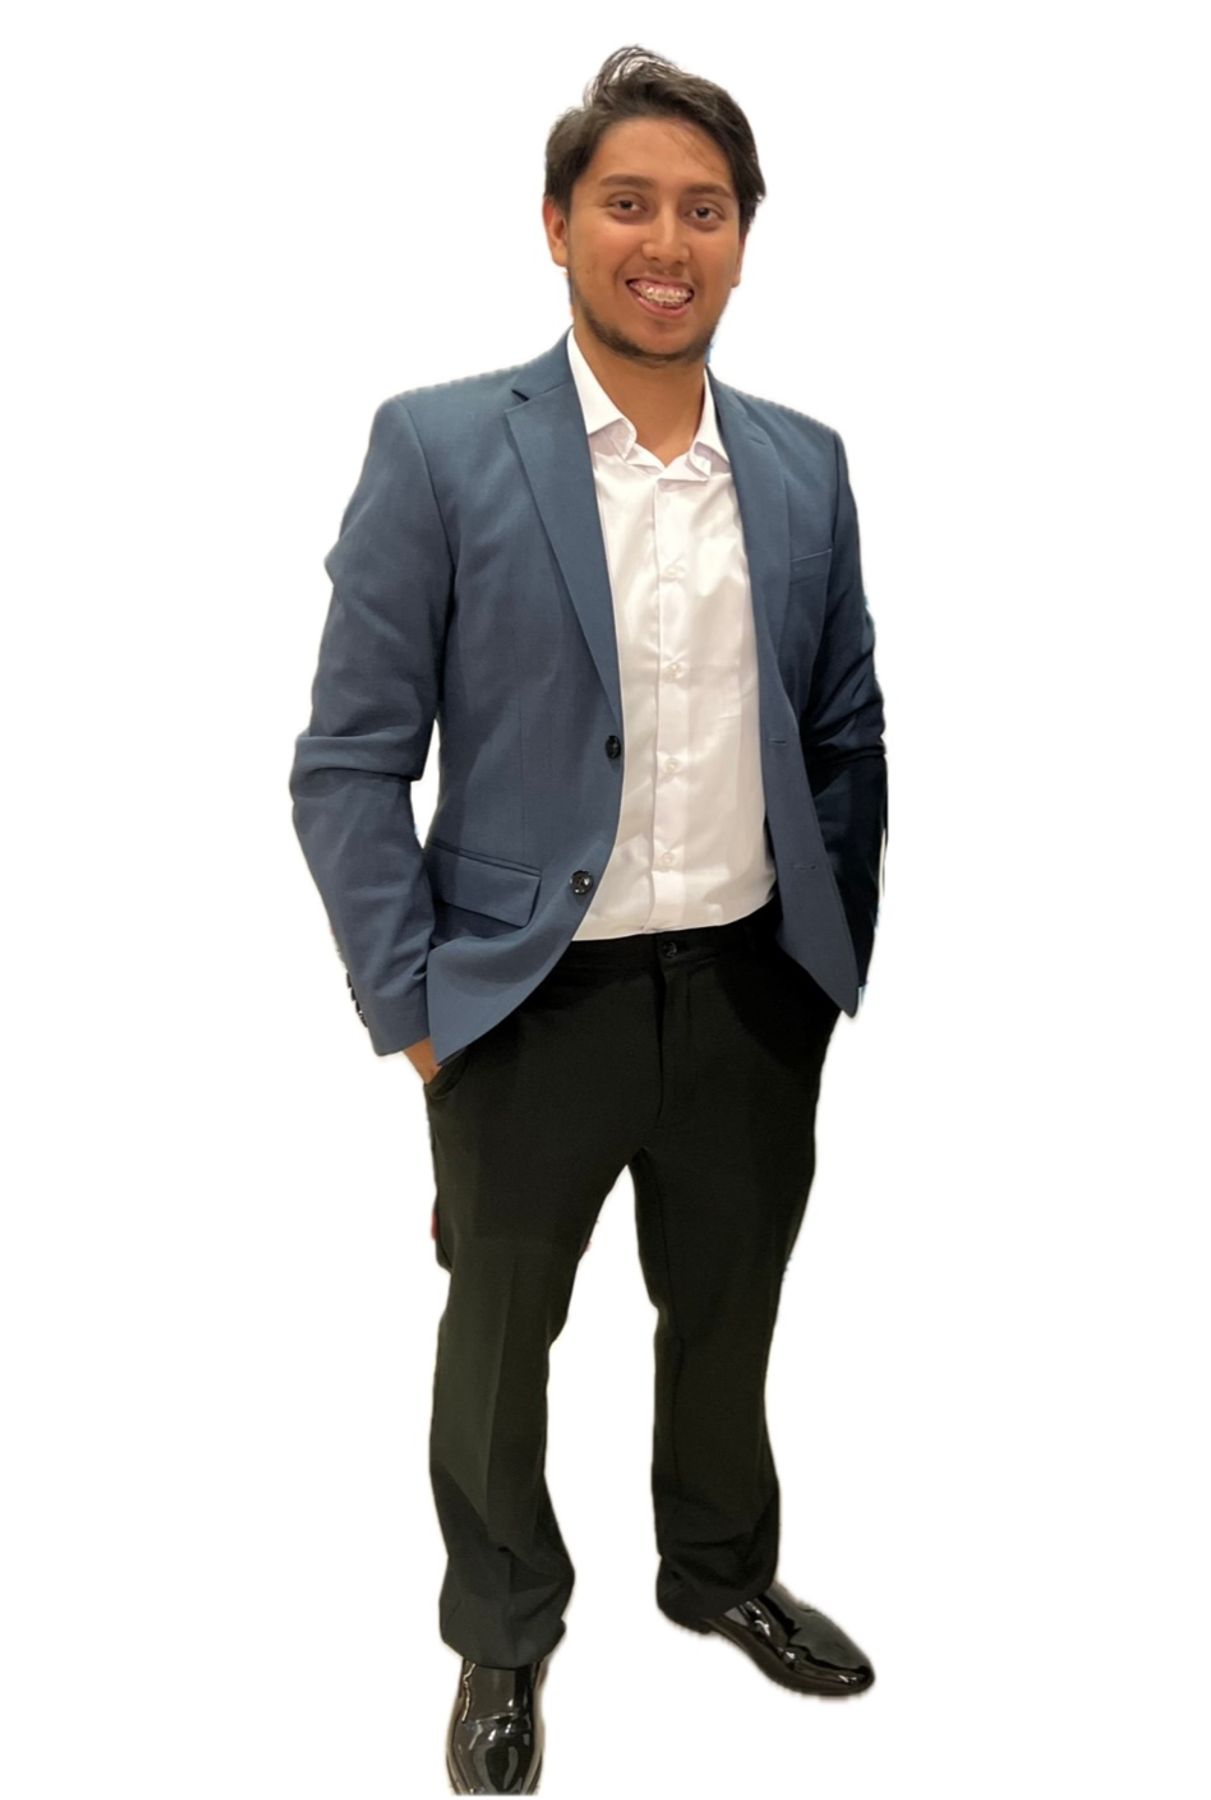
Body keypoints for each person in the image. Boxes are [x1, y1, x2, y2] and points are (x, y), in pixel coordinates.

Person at [289, 43, 888, 1795]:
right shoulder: (438, 446)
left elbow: (846, 730)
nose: (666, 242)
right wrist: (413, 1009)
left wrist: (827, 959)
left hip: (751, 989)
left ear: (744, 240)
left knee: (729, 1309)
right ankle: (502, 1632)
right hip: (522, 1004)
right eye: (629, 202)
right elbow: (349, 758)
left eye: (705, 210)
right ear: (558, 225)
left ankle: (719, 1570)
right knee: (498, 1344)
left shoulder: (803, 466)